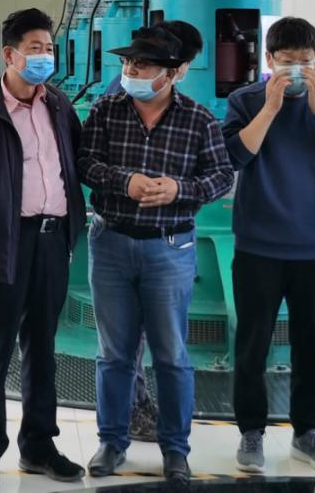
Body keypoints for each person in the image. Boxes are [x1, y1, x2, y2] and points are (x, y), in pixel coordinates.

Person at [79, 25, 234, 482]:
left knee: (171, 354)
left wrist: (178, 190)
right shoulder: (106, 109)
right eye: (128, 62)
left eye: (142, 65)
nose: (130, 70)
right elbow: (85, 162)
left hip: (169, 249)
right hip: (110, 243)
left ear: (172, 73)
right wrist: (123, 181)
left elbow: (222, 176)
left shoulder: (198, 120)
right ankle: (112, 441)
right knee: (114, 354)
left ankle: (175, 450)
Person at [220, 17, 315, 473]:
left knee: (312, 344)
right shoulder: (245, 101)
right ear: (268, 60)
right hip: (258, 246)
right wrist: (270, 108)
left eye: (306, 61)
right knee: (253, 344)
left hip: (312, 246)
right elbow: (234, 156)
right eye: (287, 62)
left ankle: (306, 431)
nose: (298, 70)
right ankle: (251, 432)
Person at [0, 9, 87, 492]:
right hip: (3, 245)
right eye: (34, 48)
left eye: (49, 48)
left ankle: (39, 446)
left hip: (52, 242)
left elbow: (75, 164)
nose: (44, 56)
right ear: (9, 54)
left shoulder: (59, 105)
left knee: (43, 349)